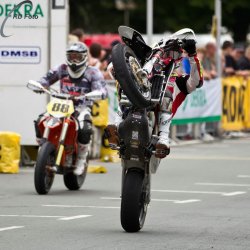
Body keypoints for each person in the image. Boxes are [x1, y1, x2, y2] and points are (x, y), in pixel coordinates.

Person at [106, 37, 203, 158]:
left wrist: (193, 56)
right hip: (136, 105)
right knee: (128, 90)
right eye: (166, 52)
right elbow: (111, 68)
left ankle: (164, 138)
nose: (167, 56)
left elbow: (197, 81)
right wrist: (123, 62)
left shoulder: (179, 79)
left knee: (167, 94)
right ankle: (115, 125)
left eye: (172, 53)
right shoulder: (145, 66)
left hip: (158, 115)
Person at [34, 42, 107, 175]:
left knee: (85, 128)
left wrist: (95, 94)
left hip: (81, 107)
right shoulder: (61, 68)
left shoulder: (92, 72)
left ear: (84, 57)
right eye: (71, 56)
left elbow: (102, 90)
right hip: (60, 105)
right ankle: (42, 152)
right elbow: (45, 79)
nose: (74, 59)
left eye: (77, 57)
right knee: (40, 120)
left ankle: (81, 159)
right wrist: (39, 85)